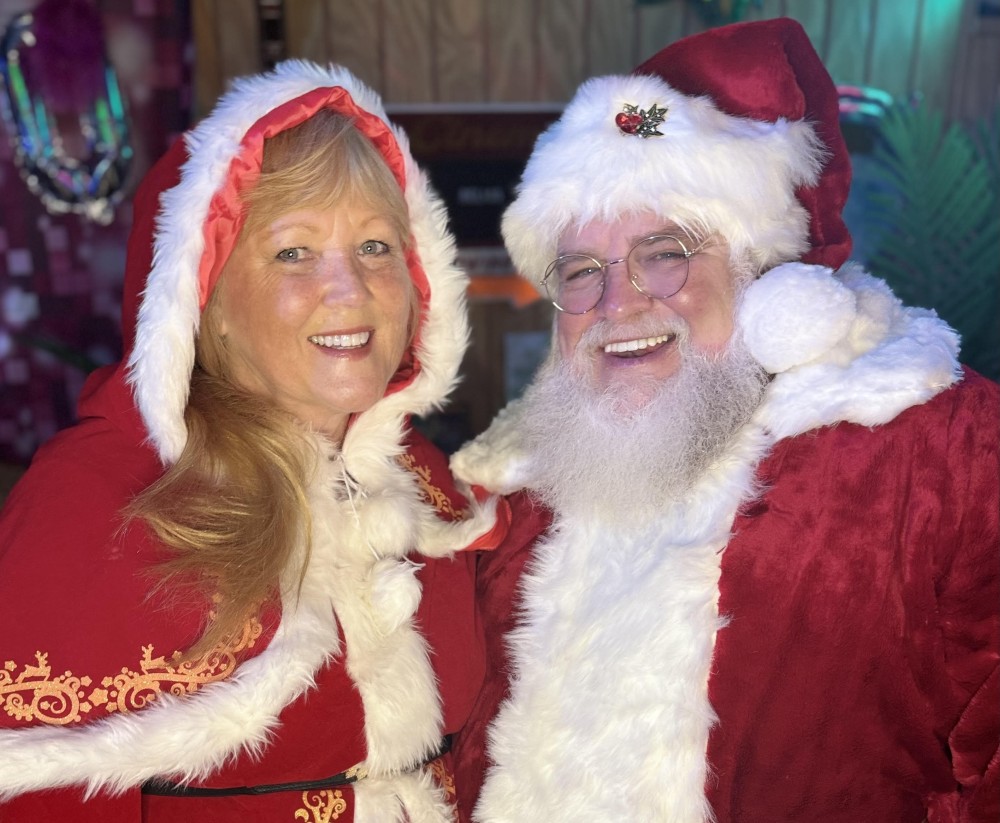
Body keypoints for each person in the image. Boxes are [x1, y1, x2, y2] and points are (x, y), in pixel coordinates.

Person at [450, 18, 999, 823]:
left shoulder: (946, 458)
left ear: (769, 279)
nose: (617, 302)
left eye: (664, 253)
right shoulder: (506, 504)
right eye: (581, 270)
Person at [0, 60, 507, 821]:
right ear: (207, 301)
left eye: (376, 246)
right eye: (293, 252)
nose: (350, 289)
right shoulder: (95, 505)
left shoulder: (430, 486)